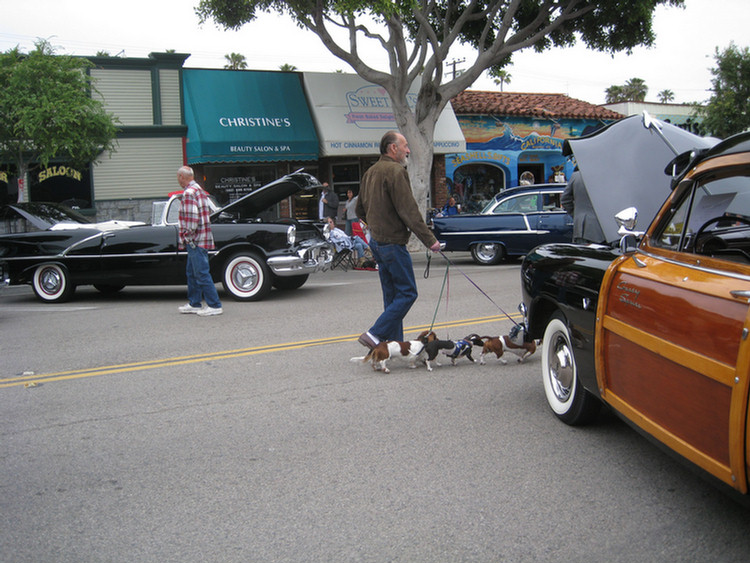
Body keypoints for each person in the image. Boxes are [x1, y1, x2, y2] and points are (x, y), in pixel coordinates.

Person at [355, 130, 441, 349]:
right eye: (405, 146)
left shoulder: (370, 172)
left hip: (377, 241)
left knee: (392, 297)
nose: (408, 150)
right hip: (392, 243)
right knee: (408, 293)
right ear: (393, 148)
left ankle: (393, 345)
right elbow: (409, 210)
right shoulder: (395, 171)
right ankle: (374, 334)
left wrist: (376, 225)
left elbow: (360, 209)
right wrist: (430, 240)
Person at [176, 166, 223, 316]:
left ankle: (214, 305)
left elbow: (191, 220)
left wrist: (187, 236)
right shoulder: (200, 191)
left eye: (178, 177)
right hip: (202, 237)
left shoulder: (189, 193)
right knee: (192, 272)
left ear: (183, 177)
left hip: (195, 240)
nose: (178, 180)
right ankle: (194, 303)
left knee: (201, 273)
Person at [561, 169, 606, 244]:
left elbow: (565, 199)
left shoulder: (576, 176)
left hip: (582, 227)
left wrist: (577, 214)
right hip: (604, 228)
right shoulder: (606, 176)